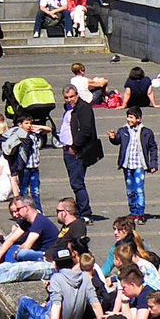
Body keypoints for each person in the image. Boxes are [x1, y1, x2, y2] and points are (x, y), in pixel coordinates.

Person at [5, 244, 105, 319]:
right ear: (72, 261)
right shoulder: (85, 277)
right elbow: (95, 303)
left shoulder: (56, 278)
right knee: (45, 306)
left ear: (56, 265)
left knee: (25, 301)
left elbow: (57, 305)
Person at [59, 85, 103, 222]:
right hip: (67, 149)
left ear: (77, 95)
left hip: (77, 151)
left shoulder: (83, 108)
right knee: (75, 182)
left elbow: (85, 130)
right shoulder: (69, 109)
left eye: (71, 96)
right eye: (66, 98)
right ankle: (80, 211)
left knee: (77, 183)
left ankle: (85, 213)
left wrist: (75, 146)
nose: (69, 100)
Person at [108, 106, 158, 223]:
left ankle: (140, 214)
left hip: (139, 166)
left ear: (138, 119)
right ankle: (133, 213)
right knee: (130, 190)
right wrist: (113, 138)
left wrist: (153, 164)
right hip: (127, 166)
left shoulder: (146, 132)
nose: (129, 120)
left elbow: (153, 148)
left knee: (139, 190)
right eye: (128, 117)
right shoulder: (123, 130)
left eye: (131, 117)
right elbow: (117, 140)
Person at [0, 195, 60, 268]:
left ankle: (8, 264)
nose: (16, 213)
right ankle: (7, 262)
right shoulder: (26, 221)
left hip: (45, 255)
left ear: (26, 208)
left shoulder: (39, 221)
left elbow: (26, 246)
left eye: (18, 210)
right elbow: (11, 240)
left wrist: (12, 251)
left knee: (22, 253)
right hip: (30, 252)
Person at [2, 114, 42, 208]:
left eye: (30, 123)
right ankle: (23, 209)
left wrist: (37, 127)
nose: (29, 125)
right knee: (23, 190)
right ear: (20, 125)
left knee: (35, 190)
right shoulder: (17, 136)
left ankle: (38, 209)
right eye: (26, 123)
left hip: (34, 167)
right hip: (25, 168)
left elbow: (49, 129)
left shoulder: (33, 135)